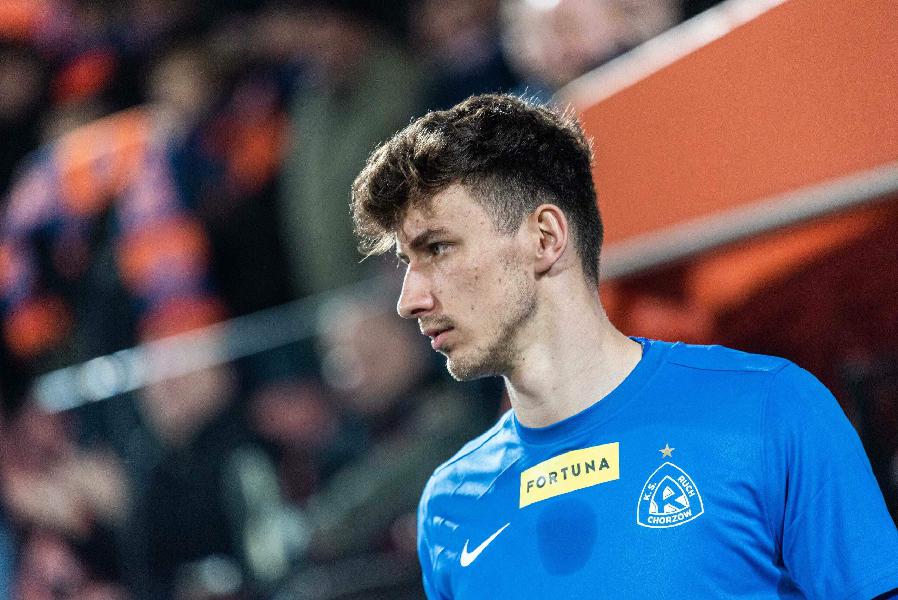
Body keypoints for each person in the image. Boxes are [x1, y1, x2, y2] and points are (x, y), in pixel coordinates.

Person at [349, 94, 898, 598]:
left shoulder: (770, 410)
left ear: (545, 238)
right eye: (407, 263)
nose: (409, 300)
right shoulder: (448, 507)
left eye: (437, 248)